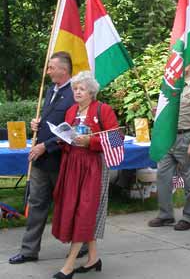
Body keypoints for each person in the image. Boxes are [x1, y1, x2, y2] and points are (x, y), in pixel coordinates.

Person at [51, 71, 120, 278]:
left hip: (93, 166)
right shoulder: (71, 111)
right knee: (76, 209)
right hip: (72, 164)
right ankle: (93, 259)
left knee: (86, 210)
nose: (77, 92)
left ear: (91, 92)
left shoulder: (103, 109)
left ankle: (69, 264)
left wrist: (91, 141)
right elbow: (68, 136)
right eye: (75, 89)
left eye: (81, 89)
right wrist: (62, 137)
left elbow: (116, 139)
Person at [9, 52, 75, 265]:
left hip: (60, 160)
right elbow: (53, 121)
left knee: (67, 205)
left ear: (63, 70)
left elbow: (71, 131)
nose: (47, 72)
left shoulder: (75, 93)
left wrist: (45, 146)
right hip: (40, 160)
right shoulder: (50, 90)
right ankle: (29, 250)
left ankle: (80, 246)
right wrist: (38, 124)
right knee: (36, 203)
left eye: (51, 68)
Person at [148, 61, 190, 231]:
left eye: (185, 62)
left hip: (187, 136)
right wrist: (158, 111)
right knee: (163, 176)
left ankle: (188, 217)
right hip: (168, 136)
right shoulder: (171, 85)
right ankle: (165, 214)